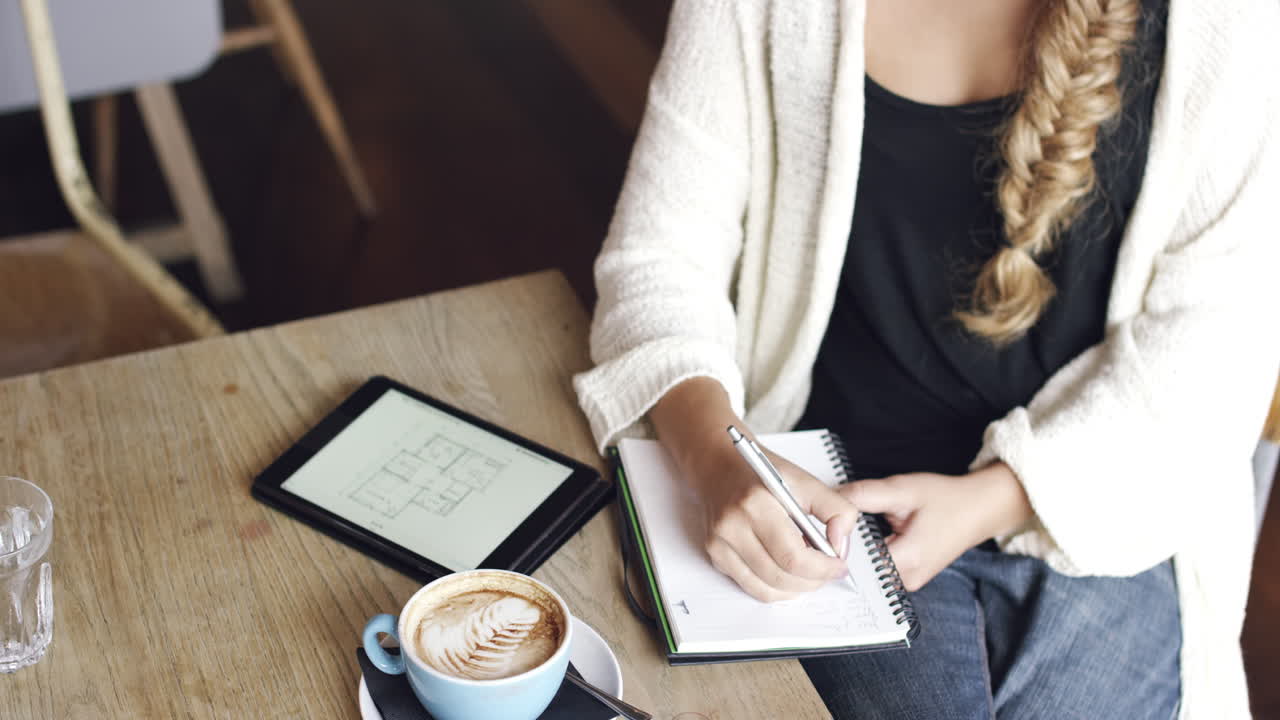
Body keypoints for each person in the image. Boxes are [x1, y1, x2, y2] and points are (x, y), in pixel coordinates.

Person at [574, 0, 1279, 718]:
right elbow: (660, 259)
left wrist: (999, 496)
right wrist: (720, 457)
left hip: (1102, 497)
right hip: (832, 506)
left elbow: (1219, 350)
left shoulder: (1230, 23)